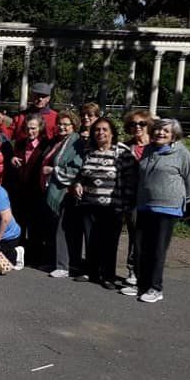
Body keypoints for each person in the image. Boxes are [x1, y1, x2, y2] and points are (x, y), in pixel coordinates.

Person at [121, 118, 190, 303]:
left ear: (173, 135)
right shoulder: (149, 150)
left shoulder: (181, 153)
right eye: (157, 130)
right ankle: (142, 283)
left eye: (165, 131)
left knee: (157, 250)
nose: (160, 133)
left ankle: (155, 288)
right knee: (140, 247)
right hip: (145, 206)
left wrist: (180, 200)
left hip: (168, 209)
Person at [72, 117, 136, 289]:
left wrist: (126, 205)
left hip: (112, 206)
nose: (100, 133)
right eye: (97, 130)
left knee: (109, 242)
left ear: (112, 133)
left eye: (104, 129)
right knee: (91, 239)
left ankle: (108, 275)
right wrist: (78, 183)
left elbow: (130, 181)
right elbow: (81, 174)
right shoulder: (88, 151)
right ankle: (92, 272)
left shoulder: (122, 152)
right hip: (89, 203)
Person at [42, 110, 84, 278]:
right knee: (55, 227)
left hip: (65, 191)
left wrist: (53, 170)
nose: (62, 127)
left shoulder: (76, 142)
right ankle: (56, 261)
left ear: (74, 126)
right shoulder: (59, 142)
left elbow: (75, 168)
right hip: (54, 188)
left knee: (63, 229)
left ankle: (63, 265)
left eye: (66, 124)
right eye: (60, 123)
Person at [8, 113, 50, 256]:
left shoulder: (46, 146)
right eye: (27, 128)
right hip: (20, 191)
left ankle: (35, 255)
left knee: (35, 226)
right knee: (19, 223)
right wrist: (12, 159)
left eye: (33, 128)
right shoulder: (20, 143)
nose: (30, 131)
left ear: (40, 128)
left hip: (37, 192)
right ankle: (18, 254)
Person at [122, 109, 153, 286]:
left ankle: (149, 271)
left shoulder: (155, 147)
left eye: (142, 123)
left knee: (152, 237)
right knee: (135, 236)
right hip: (132, 199)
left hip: (153, 199)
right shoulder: (126, 147)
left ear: (149, 125)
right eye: (133, 124)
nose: (137, 127)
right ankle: (133, 269)